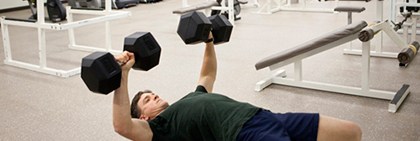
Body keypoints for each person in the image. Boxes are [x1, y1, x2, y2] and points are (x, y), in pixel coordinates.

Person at [112, 32, 362, 141]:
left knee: (351, 132)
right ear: (143, 117)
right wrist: (123, 75)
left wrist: (208, 41)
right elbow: (122, 126)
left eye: (151, 93)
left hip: (267, 117)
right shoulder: (158, 131)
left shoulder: (190, 98)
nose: (154, 95)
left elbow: (207, 74)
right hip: (243, 134)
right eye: (147, 100)